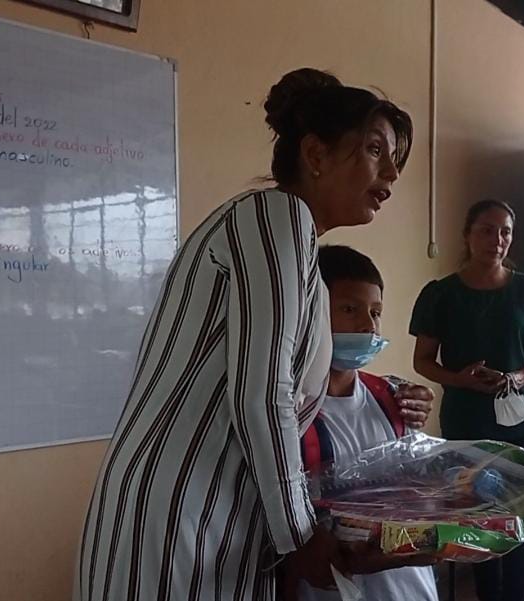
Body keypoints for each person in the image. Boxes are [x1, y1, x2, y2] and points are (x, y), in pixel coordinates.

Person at [74, 68, 437, 601]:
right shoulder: (275, 217)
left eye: (394, 158)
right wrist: (301, 534)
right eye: (375, 150)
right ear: (315, 155)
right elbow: (264, 393)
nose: (392, 173)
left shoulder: (297, 247)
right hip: (182, 513)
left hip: (222, 515)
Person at [410, 199, 524, 601]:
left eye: (505, 232)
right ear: (467, 234)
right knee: (477, 511)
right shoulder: (441, 295)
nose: (496, 240)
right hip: (469, 420)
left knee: (522, 515)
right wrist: (458, 379)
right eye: (486, 230)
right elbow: (423, 361)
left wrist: (518, 377)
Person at [297, 245, 438, 601]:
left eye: (376, 312)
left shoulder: (392, 399)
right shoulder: (287, 413)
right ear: (308, 311)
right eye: (349, 309)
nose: (368, 325)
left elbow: (418, 490)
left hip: (410, 587)